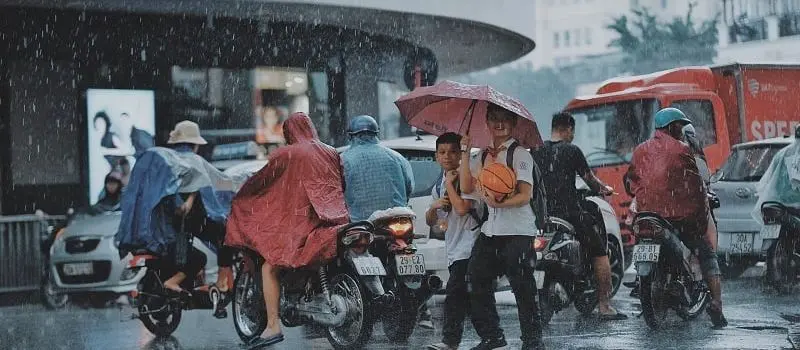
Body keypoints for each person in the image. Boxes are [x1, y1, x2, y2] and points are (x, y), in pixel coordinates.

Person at [225, 112, 350, 348]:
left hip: (302, 225)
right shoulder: (331, 151)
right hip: (334, 221)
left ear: (288, 132)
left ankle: (273, 325)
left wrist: (243, 197)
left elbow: (262, 182)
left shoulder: (286, 154)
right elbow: (340, 184)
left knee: (270, 266)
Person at [626, 107, 727, 328]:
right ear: (671, 127)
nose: (681, 130)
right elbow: (696, 188)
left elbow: (630, 179)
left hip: (646, 216)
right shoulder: (683, 150)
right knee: (707, 253)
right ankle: (717, 304)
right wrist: (699, 218)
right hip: (674, 218)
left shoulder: (640, 149)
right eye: (679, 126)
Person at [459, 104, 544, 350]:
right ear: (487, 121)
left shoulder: (520, 154)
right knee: (475, 278)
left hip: (518, 230)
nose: (499, 124)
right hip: (492, 230)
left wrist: (501, 200)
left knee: (522, 286)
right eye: (494, 119)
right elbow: (466, 187)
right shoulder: (483, 155)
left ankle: (532, 341)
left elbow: (525, 195)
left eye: (505, 119)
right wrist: (465, 152)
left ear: (513, 123)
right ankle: (492, 336)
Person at [531, 111, 628, 321]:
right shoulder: (572, 150)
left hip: (541, 215)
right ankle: (604, 305)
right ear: (569, 129)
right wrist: (604, 189)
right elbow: (590, 180)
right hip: (569, 213)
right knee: (600, 252)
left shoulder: (536, 150)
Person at [160, 121, 239, 305]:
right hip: (193, 218)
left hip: (172, 221)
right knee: (226, 235)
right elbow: (219, 182)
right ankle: (221, 282)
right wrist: (239, 185)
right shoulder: (195, 161)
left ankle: (206, 281)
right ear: (194, 145)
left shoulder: (168, 161)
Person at [426, 133, 483, 350]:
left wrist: (450, 184)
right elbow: (432, 221)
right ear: (436, 156)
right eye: (442, 152)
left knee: (455, 295)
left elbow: (462, 208)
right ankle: (491, 336)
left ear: (460, 154)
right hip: (454, 248)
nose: (447, 156)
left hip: (471, 246)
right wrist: (433, 207)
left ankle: (451, 341)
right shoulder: (438, 185)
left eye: (452, 151)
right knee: (472, 296)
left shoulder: (466, 178)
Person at [340, 115, 415, 222]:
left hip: (359, 224)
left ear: (351, 136)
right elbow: (409, 187)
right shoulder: (396, 157)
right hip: (394, 220)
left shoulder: (343, 160)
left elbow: (336, 193)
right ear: (376, 134)